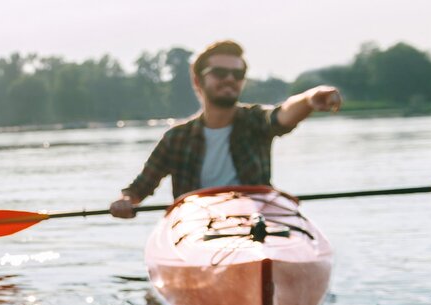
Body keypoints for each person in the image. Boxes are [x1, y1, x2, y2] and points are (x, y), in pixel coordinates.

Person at [110, 40, 342, 218]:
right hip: (196, 226)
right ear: (198, 81)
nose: (230, 79)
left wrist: (310, 99)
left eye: (237, 74)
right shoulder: (176, 138)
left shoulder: (255, 121)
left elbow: (282, 115)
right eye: (220, 73)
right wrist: (125, 201)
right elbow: (138, 189)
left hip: (256, 221)